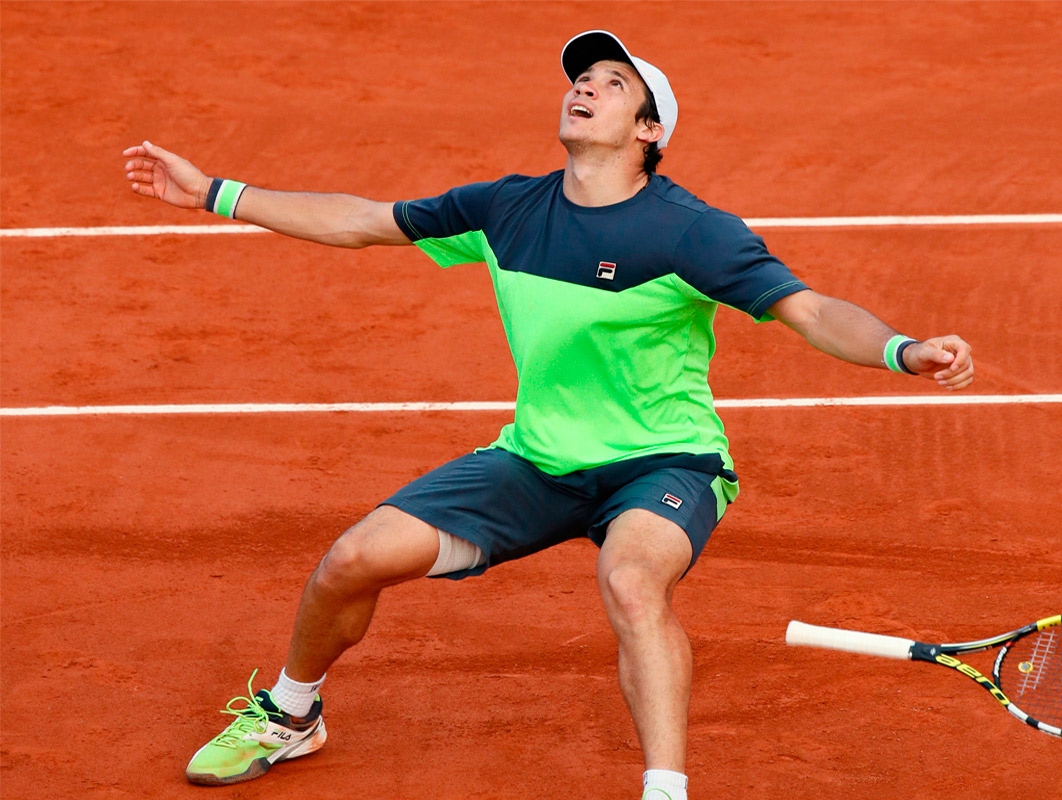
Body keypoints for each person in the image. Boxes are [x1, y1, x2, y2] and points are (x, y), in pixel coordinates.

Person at [123, 30, 973, 800]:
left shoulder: (690, 233)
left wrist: (902, 350)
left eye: (614, 83)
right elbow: (363, 221)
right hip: (534, 460)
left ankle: (665, 791)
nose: (586, 88)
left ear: (649, 131)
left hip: (664, 461)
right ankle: (291, 713)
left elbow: (810, 310)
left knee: (632, 582)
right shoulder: (508, 208)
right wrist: (216, 194)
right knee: (352, 560)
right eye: (583, 78)